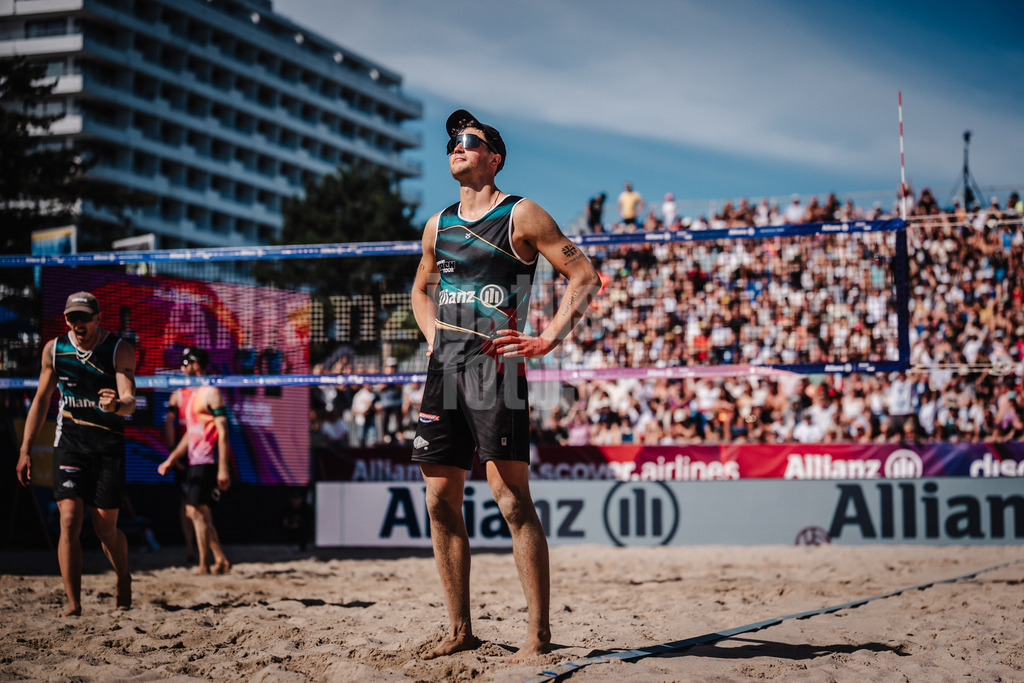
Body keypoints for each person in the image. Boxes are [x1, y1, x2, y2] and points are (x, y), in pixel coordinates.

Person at [411, 109, 599, 661]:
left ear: (494, 157)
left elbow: (584, 275)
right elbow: (420, 289)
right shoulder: (437, 223)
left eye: (469, 140)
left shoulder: (521, 214)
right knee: (441, 502)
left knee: (512, 502)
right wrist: (431, 338)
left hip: (495, 370)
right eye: (451, 140)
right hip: (444, 368)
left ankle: (537, 635)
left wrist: (549, 339)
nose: (457, 146)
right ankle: (459, 629)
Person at [15, 291, 136, 616]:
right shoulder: (55, 351)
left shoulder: (118, 349)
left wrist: (117, 405)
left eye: (84, 317)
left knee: (104, 529)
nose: (78, 323)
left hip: (108, 444)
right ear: (65, 319)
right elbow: (41, 401)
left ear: (98, 318)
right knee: (68, 520)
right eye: (72, 317)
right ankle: (74, 604)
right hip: (70, 441)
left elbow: (130, 400)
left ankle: (123, 577)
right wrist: (25, 449)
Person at [157, 347, 231, 574]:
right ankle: (219, 560)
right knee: (200, 513)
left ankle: (204, 564)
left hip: (207, 461)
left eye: (186, 363)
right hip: (195, 460)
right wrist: (171, 458)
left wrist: (223, 468)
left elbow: (223, 433)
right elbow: (191, 434)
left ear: (196, 365)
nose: (182, 367)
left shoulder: (211, 393)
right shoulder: (192, 396)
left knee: (194, 511)